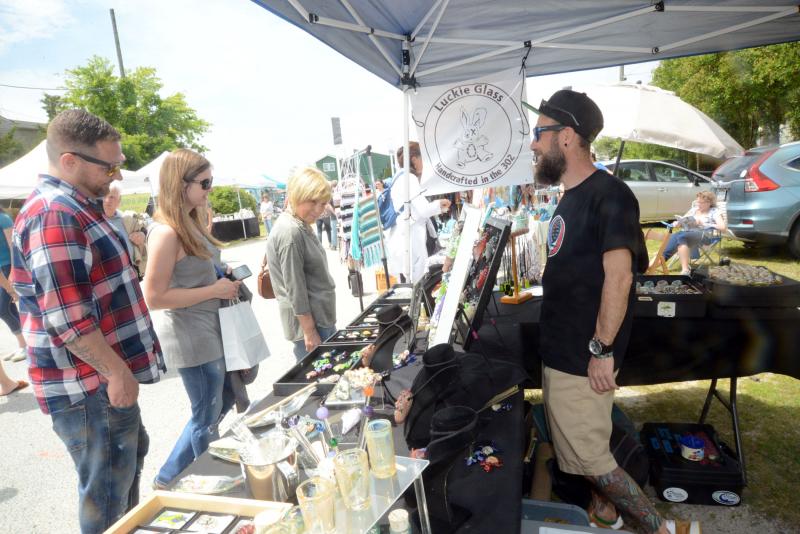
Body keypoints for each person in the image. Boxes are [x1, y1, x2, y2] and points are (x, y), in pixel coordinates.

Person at [528, 90, 700, 534]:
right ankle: (606, 512)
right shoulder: (570, 197)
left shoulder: (611, 194)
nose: (533, 144)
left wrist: (602, 349)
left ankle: (659, 528)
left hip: (583, 358)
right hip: (562, 351)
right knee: (575, 450)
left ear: (566, 137)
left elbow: (620, 279)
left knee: (590, 458)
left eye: (539, 133)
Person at [11, 109, 163, 534]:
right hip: (88, 386)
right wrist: (115, 372)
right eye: (108, 166)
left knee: (121, 477)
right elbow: (68, 318)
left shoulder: (77, 206)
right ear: (70, 161)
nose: (115, 177)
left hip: (95, 382)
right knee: (108, 499)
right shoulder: (56, 213)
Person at [142, 148, 241, 489]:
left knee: (221, 401)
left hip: (210, 330)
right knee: (206, 415)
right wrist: (213, 290)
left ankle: (170, 475)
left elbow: (196, 273)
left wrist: (222, 274)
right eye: (205, 183)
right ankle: (208, 483)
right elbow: (153, 297)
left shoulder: (189, 223)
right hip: (192, 338)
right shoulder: (167, 232)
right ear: (180, 184)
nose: (210, 189)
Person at [266, 167, 337, 360]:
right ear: (298, 195)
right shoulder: (290, 231)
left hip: (320, 318)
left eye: (322, 204)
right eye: (312, 201)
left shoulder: (299, 224)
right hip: (312, 323)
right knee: (321, 381)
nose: (317, 210)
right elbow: (294, 288)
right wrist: (310, 331)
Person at [385, 142, 451, 283]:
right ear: (414, 159)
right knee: (415, 285)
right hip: (410, 240)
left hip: (403, 239)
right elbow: (423, 209)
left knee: (407, 282)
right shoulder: (409, 178)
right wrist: (440, 204)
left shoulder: (399, 178)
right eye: (423, 159)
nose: (424, 163)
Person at [663, 190, 726, 275]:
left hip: (705, 235)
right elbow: (683, 219)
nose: (698, 204)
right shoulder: (694, 210)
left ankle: (683, 268)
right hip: (688, 233)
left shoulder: (714, 212)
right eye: (697, 202)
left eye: (701, 203)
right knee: (679, 237)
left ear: (709, 202)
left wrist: (703, 223)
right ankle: (655, 263)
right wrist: (678, 223)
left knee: (679, 236)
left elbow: (723, 228)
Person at [103, 181, 148, 278]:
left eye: (112, 197)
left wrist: (142, 235)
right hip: (111, 278)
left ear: (119, 201)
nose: (107, 200)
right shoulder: (93, 221)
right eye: (104, 196)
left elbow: (146, 228)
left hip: (134, 273)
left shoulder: (127, 219)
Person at [1, 206, 27, 363]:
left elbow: (13, 246)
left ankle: (26, 345)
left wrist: (13, 270)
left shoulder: (3, 218)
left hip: (7, 267)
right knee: (8, 308)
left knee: (3, 309)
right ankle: (22, 344)